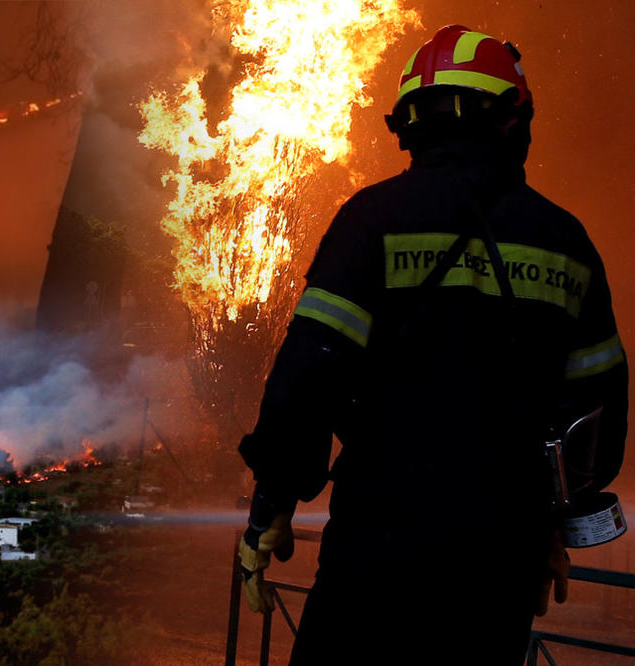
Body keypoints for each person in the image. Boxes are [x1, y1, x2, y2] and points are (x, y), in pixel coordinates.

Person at [237, 25, 628, 664]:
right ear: (513, 118)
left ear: (411, 123)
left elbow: (310, 373)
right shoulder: (565, 241)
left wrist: (272, 503)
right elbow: (594, 410)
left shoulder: (371, 221)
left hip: (376, 547)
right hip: (498, 563)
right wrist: (558, 520)